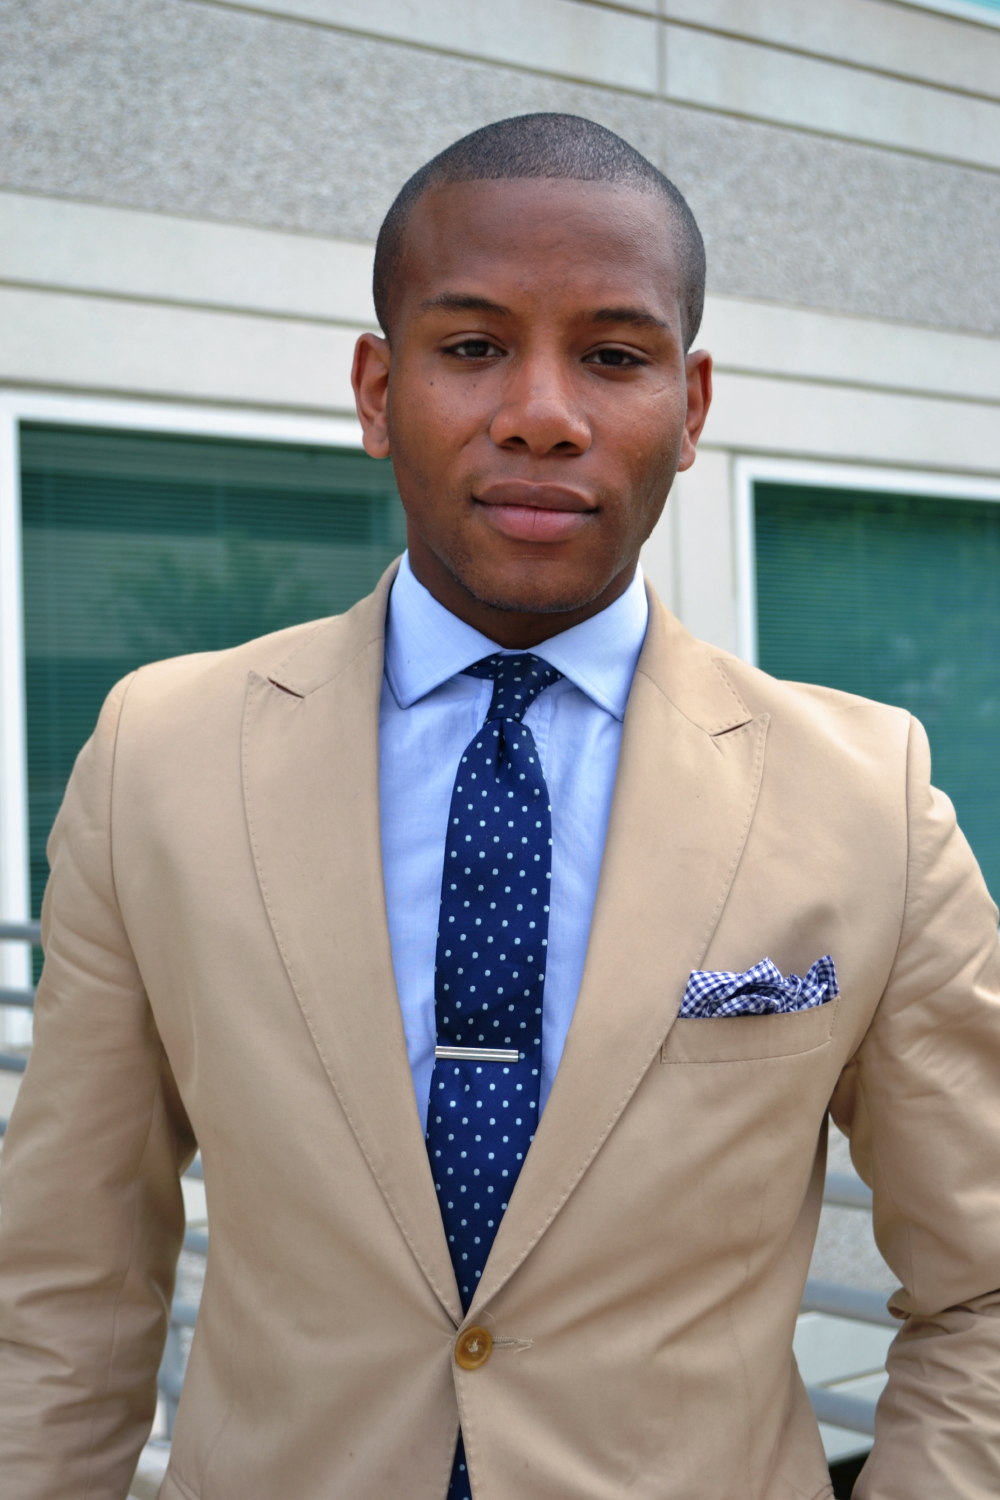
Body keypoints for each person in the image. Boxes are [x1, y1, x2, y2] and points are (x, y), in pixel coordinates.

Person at [1, 112, 999, 1500]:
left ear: (693, 405)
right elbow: (63, 1288)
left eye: (613, 354)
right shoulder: (156, 756)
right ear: (376, 387)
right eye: (471, 347)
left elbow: (986, 1295)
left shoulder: (867, 798)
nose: (542, 410)